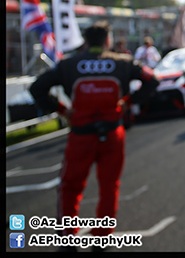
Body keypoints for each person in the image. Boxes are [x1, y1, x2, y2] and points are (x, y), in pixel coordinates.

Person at [29, 21, 158, 250]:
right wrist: (128, 103)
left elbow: (37, 87)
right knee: (110, 186)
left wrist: (61, 110)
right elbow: (152, 80)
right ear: (107, 40)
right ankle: (101, 237)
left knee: (70, 187)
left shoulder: (69, 64)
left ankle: (68, 239)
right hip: (112, 133)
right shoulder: (122, 62)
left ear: (85, 41)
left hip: (81, 136)